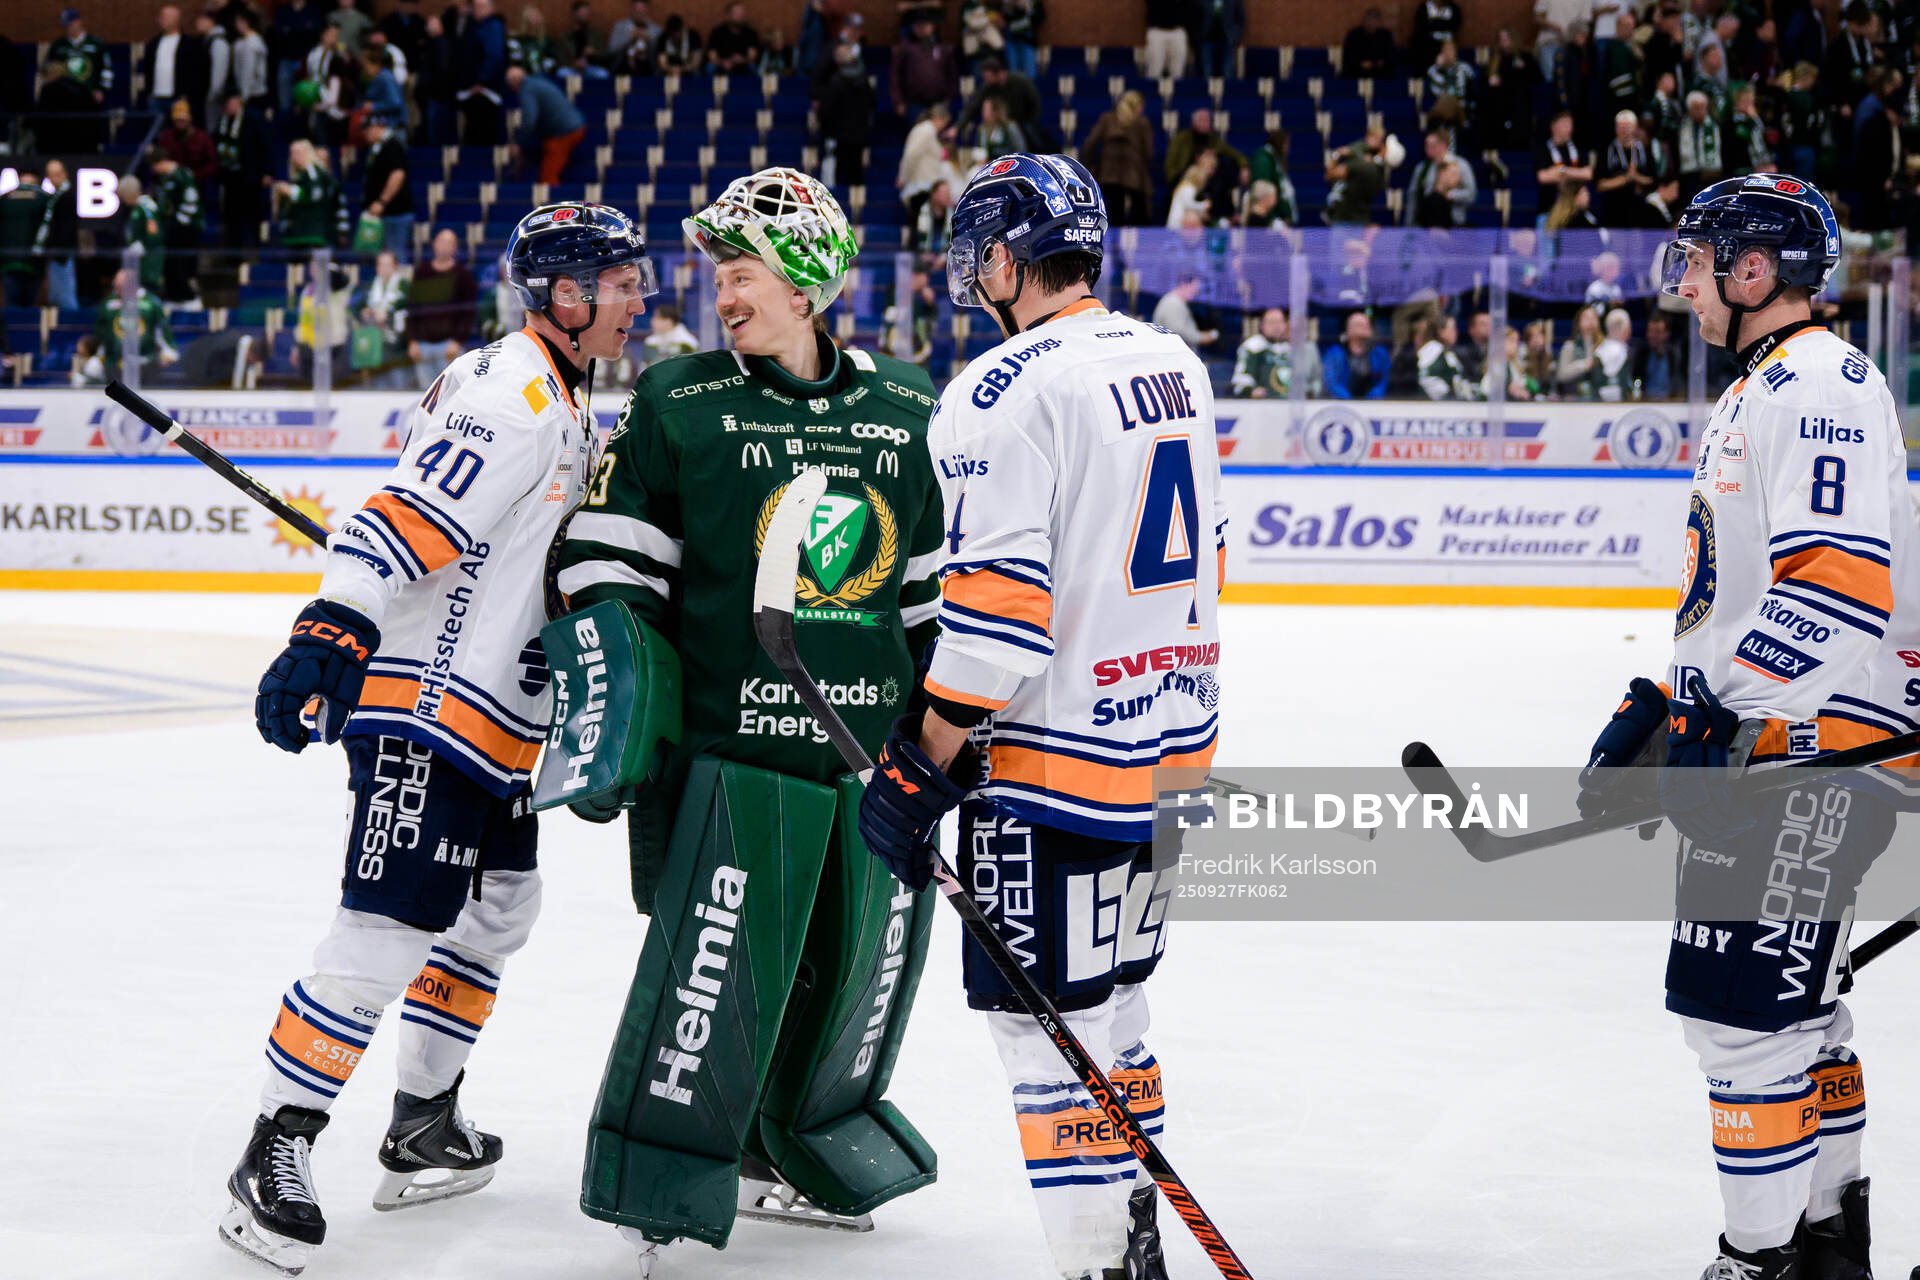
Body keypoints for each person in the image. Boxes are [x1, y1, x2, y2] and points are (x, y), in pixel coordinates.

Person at [217, 203, 654, 1278]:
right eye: (618, 279)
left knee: (500, 904)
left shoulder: (562, 392)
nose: (638, 297)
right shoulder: (511, 388)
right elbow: (410, 513)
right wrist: (332, 627)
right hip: (427, 707)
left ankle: (423, 1121)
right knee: (387, 925)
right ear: (561, 293)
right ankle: (274, 1143)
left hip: (493, 717)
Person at [550, 166, 943, 1275]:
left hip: (866, 760)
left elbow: (923, 598)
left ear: (808, 283)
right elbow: (607, 563)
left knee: (844, 974)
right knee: (716, 973)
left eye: (743, 274)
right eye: (716, 274)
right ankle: (663, 1172)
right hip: (727, 754)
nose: (721, 294)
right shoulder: (681, 399)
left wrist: (945, 736)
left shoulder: (908, 407)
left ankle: (796, 1147)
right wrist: (615, 711)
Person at [857, 151, 1221, 1280]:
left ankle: (1098, 1263)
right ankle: (1139, 1228)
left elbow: (1000, 623)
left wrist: (922, 760)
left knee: (1039, 1028)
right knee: (1118, 1006)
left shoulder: (1000, 389)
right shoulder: (1173, 362)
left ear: (1008, 260)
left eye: (980, 259)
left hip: (1055, 766)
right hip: (1170, 752)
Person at [1575, 174, 1908, 1280]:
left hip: (1809, 757)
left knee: (1741, 1021)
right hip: (1800, 746)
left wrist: (1729, 724)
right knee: (1797, 1015)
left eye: (1702, 257)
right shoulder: (1776, 381)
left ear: (1755, 270)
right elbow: (1764, 589)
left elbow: (1837, 590)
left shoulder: (1819, 384)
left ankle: (1757, 1260)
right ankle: (1824, 1247)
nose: (1687, 279)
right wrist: (1679, 700)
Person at [407, 228, 479, 387]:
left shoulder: (463, 275)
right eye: (442, 242)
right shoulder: (421, 272)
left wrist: (458, 341)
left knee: (451, 394)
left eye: (449, 243)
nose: (445, 246)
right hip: (423, 346)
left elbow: (468, 313)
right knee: (425, 397)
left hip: (449, 347)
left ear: (455, 247)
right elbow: (412, 309)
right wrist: (412, 340)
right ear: (434, 244)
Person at [1081, 90, 1155, 226]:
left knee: (1112, 218)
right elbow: (1149, 152)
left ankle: (1111, 246)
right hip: (1134, 178)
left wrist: (1091, 166)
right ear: (1137, 106)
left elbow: (1089, 144)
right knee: (1139, 218)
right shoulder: (1142, 123)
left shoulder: (1107, 119)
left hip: (1108, 177)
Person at [506, 63, 586, 184]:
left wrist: (519, 143)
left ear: (514, 81)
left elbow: (529, 119)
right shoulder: (536, 82)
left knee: (547, 178)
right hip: (567, 127)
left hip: (564, 132)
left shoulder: (527, 90)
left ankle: (554, 200)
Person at [1231, 305, 1319, 397]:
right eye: (1271, 322)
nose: (1276, 326)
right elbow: (1241, 379)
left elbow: (1308, 378)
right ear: (1262, 325)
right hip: (1260, 406)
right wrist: (1251, 391)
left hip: (1289, 404)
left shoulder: (1294, 348)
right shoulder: (1253, 346)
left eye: (1280, 322)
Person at [35, 160, 81, 312]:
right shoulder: (56, 197)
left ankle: (71, 330)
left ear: (65, 174)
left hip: (62, 255)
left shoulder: (67, 196)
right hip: (56, 254)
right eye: (51, 175)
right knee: (55, 297)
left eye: (58, 174)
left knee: (65, 297)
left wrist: (59, 253)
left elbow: (66, 229)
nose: (55, 178)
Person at [1323, 309, 1390, 398]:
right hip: (1343, 405)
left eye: (1367, 325)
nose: (1364, 327)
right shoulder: (1335, 354)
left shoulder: (1380, 354)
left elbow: (1386, 379)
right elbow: (1330, 382)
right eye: (1359, 325)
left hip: (1374, 406)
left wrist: (1375, 395)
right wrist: (1346, 399)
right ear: (1348, 330)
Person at [1151, 273, 1218, 350]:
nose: (1196, 291)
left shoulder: (1176, 301)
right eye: (1194, 287)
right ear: (1183, 284)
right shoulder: (1173, 303)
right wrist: (1207, 336)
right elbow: (1181, 333)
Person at [1342, 7, 1395, 79]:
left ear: (1379, 22)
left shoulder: (1386, 36)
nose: (1371, 23)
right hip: (1357, 72)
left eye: (1375, 20)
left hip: (1380, 73)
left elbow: (1390, 56)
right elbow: (1348, 57)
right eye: (1369, 20)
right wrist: (1360, 64)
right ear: (1364, 20)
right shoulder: (1353, 35)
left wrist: (1381, 63)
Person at [706, 1, 760, 71]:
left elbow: (752, 56)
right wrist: (722, 62)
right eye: (736, 13)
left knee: (753, 67)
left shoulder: (750, 33)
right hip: (722, 64)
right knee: (710, 67)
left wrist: (743, 60)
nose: (740, 16)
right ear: (728, 15)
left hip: (744, 64)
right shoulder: (718, 32)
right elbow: (712, 56)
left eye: (742, 13)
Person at [1143, 0, 1190, 78]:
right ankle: (1151, 89)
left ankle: (1176, 89)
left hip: (1177, 31)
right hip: (1157, 31)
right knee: (1155, 68)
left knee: (1177, 70)